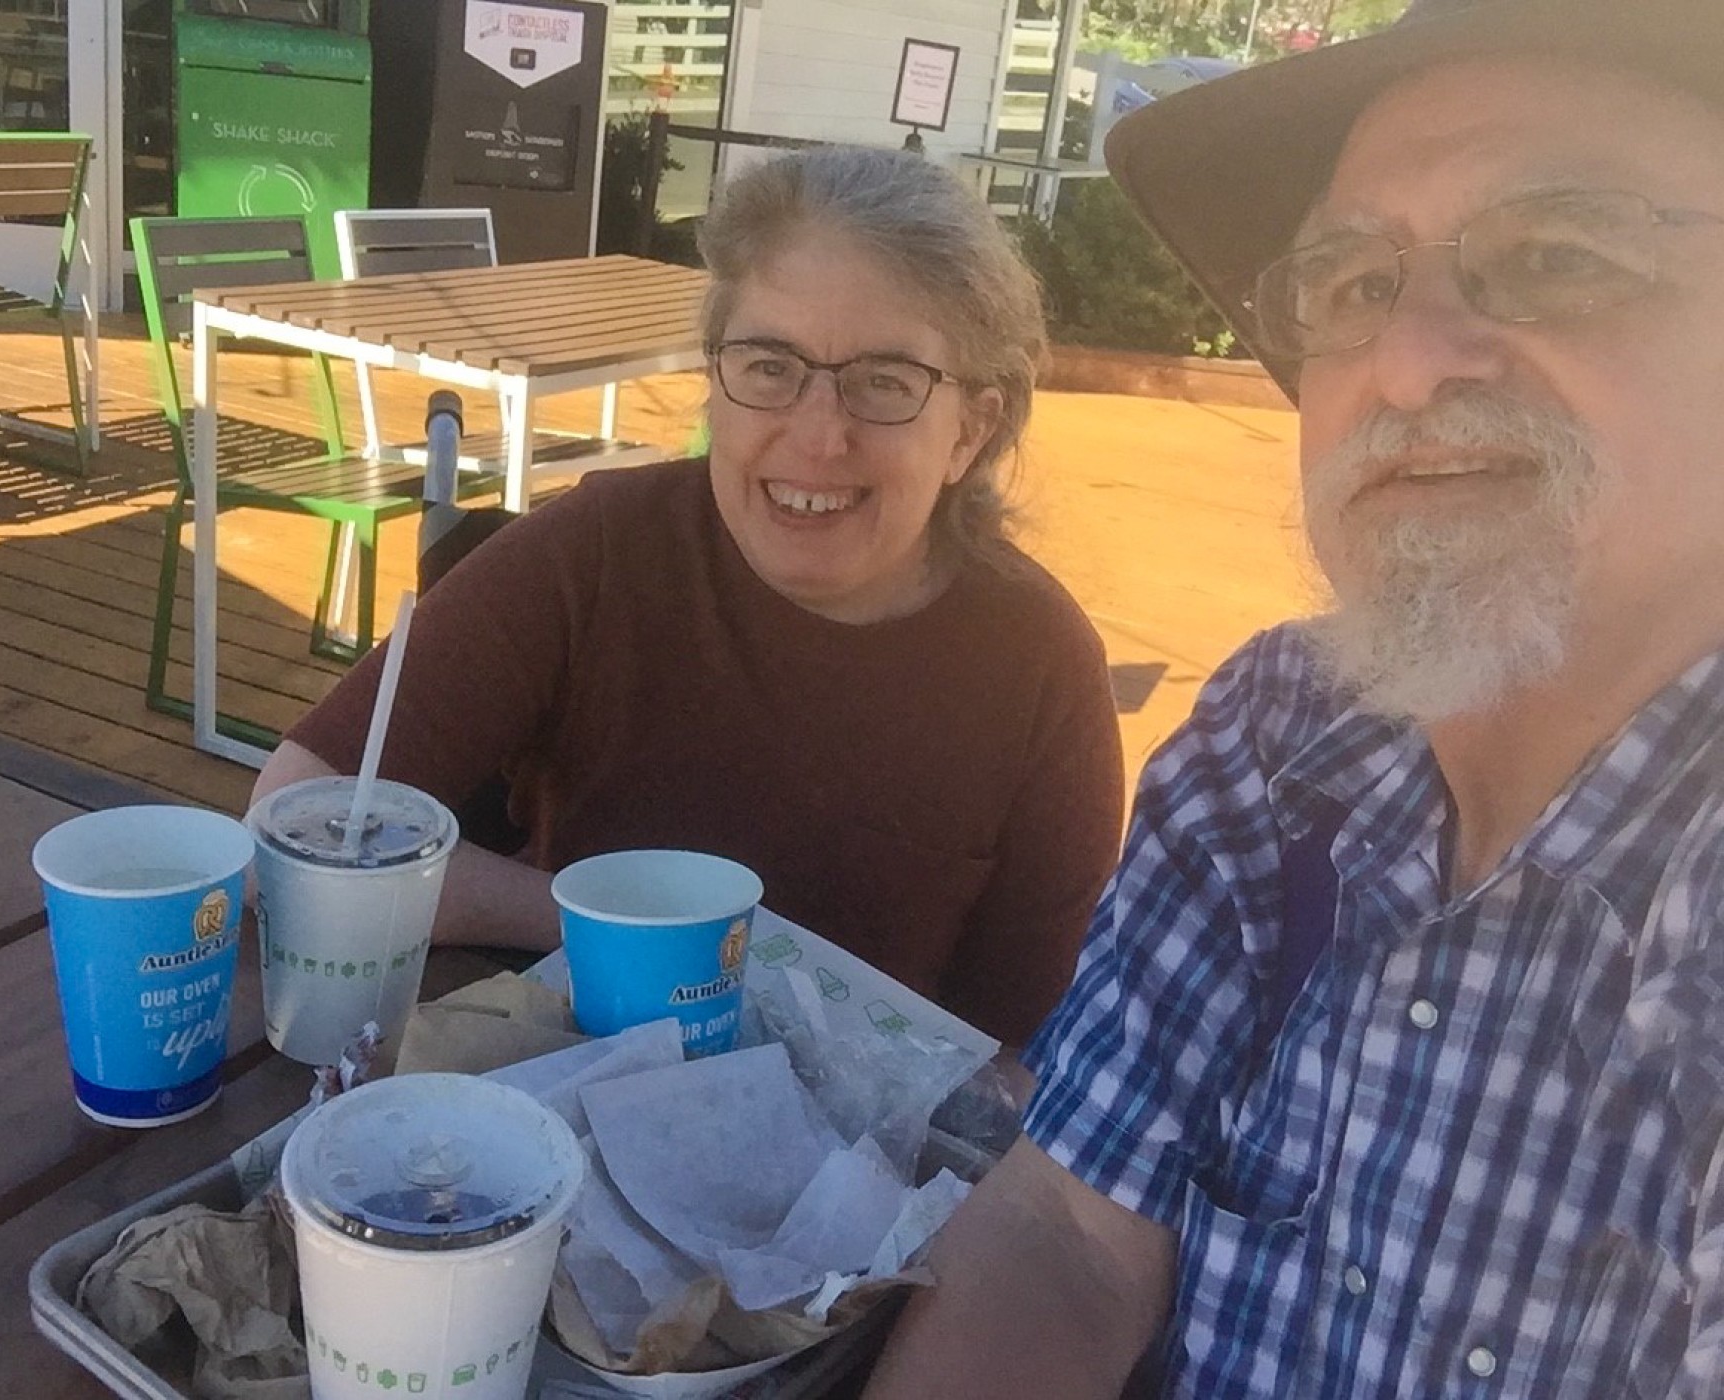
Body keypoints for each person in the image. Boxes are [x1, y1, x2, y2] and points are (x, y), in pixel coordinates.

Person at [864, 0, 1724, 1394]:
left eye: (1560, 254)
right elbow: (1071, 1227)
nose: (1409, 361)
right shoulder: (1280, 734)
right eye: (1355, 286)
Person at [249, 145, 1124, 1048]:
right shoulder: (598, 551)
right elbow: (291, 819)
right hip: (547, 1099)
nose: (818, 438)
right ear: (715, 378)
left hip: (861, 1157)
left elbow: (1025, 1051)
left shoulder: (1040, 666)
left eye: (885, 384)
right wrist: (625, 930)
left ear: (968, 435)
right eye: (770, 364)